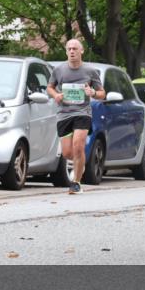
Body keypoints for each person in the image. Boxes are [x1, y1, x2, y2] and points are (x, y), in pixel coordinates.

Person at [46, 39, 106, 195]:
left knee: (78, 146)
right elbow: (49, 87)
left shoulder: (90, 71)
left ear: (81, 51)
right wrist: (56, 95)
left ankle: (76, 183)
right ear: (66, 51)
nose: (72, 51)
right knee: (67, 153)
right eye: (69, 49)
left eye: (75, 48)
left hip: (82, 112)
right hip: (64, 114)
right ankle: (80, 163)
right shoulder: (59, 70)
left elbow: (102, 93)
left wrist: (93, 92)